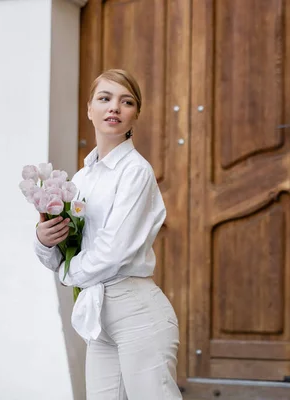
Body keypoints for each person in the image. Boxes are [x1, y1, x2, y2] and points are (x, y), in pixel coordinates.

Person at [33, 69, 182, 399]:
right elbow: (67, 249)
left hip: (138, 314)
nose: (114, 107)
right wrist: (44, 240)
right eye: (105, 99)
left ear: (135, 115)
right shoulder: (81, 179)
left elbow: (113, 250)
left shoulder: (136, 172)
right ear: (89, 109)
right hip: (98, 318)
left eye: (125, 101)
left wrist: (68, 273)